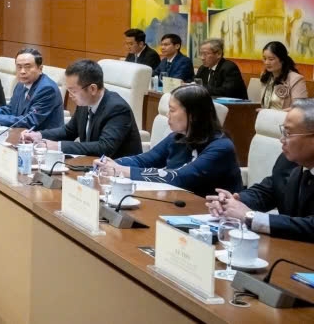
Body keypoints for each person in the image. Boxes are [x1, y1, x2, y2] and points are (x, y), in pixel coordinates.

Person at [97, 85, 241, 197]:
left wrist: (123, 171)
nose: (167, 114)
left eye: (172, 110)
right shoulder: (177, 137)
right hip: (177, 205)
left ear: (193, 115)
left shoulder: (221, 147)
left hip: (209, 216)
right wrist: (110, 164)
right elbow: (144, 160)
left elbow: (180, 178)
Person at [206, 100, 314, 242]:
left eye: (288, 133)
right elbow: (266, 191)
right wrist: (232, 202)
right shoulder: (288, 161)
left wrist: (251, 217)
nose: (282, 139)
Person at [21, 59, 142, 158]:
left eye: (73, 91)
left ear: (92, 89)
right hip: (90, 166)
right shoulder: (85, 103)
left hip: (118, 174)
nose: (70, 95)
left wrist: (56, 146)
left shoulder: (117, 108)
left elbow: (105, 147)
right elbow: (69, 131)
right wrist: (39, 135)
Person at [0, 47, 64, 131]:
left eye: (28, 67)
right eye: (19, 67)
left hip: (43, 142)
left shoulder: (47, 89)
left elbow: (29, 120)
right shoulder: (21, 84)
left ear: (40, 69)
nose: (22, 71)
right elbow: (10, 109)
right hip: (20, 135)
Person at [260, 40, 308, 110]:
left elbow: (299, 108)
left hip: (285, 119)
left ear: (282, 60)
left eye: (271, 59)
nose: (266, 62)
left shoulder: (296, 79)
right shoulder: (265, 77)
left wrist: (270, 114)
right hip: (266, 118)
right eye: (264, 59)